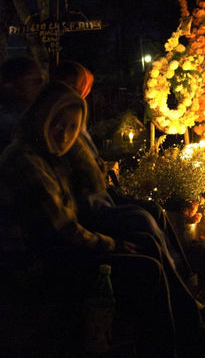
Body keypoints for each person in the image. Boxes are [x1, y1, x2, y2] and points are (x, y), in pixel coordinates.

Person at [0, 82, 205, 358]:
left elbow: (77, 212)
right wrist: (111, 243)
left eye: (73, 127)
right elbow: (62, 233)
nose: (65, 134)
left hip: (57, 254)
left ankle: (195, 346)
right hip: (41, 269)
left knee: (147, 241)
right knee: (144, 269)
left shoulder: (45, 155)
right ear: (40, 119)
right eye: (57, 123)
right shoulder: (27, 164)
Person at [51, 60, 196, 285]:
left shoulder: (75, 116)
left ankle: (183, 273)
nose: (75, 91)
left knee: (154, 209)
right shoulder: (55, 128)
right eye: (71, 86)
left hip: (98, 196)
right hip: (87, 207)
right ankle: (173, 279)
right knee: (143, 220)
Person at [0, 56, 45, 161]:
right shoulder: (10, 121)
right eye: (36, 81)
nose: (42, 86)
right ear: (11, 85)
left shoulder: (24, 114)